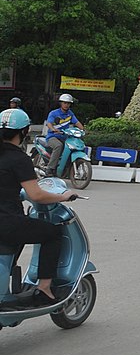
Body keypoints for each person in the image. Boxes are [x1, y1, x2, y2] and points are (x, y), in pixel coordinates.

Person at [0, 108, 78, 311]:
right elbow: (36, 195)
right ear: (24, 132)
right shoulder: (19, 159)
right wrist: (63, 196)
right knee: (52, 233)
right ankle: (44, 288)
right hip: (6, 223)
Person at [43, 94, 82, 175]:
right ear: (61, 103)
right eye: (65, 103)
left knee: (74, 146)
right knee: (58, 146)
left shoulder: (70, 114)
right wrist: (53, 129)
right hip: (52, 136)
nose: (66, 105)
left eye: (68, 103)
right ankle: (50, 168)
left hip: (64, 136)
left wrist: (83, 130)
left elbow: (77, 123)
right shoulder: (54, 113)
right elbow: (49, 123)